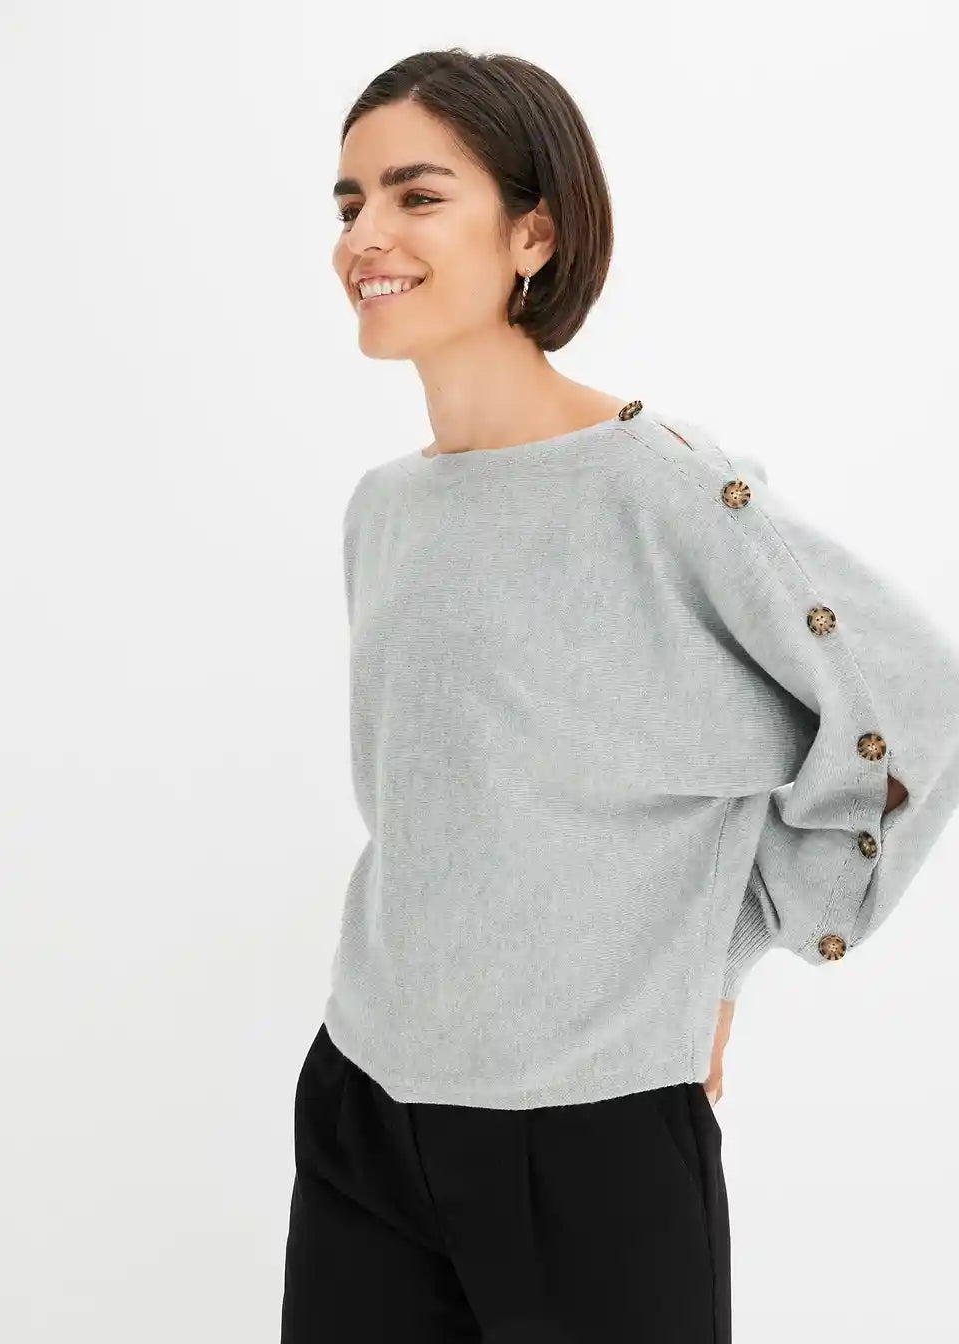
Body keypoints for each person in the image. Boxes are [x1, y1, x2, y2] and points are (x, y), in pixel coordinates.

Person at [280, 48, 959, 1343]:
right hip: (364, 1102)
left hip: (592, 1133)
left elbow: (910, 699)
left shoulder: (664, 486)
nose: (365, 236)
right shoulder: (384, 509)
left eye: (417, 195)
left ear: (533, 234)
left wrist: (735, 950)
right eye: (349, 201)